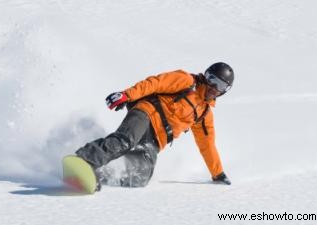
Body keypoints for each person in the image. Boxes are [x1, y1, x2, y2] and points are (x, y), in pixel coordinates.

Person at [76, 62, 234, 190]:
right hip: (147, 115)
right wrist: (127, 95)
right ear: (206, 75)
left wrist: (218, 173)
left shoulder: (204, 114)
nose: (214, 88)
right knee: (125, 141)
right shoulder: (187, 81)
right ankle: (84, 160)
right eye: (212, 79)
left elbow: (207, 145)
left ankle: (101, 172)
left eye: (220, 86)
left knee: (142, 175)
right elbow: (155, 83)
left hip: (156, 140)